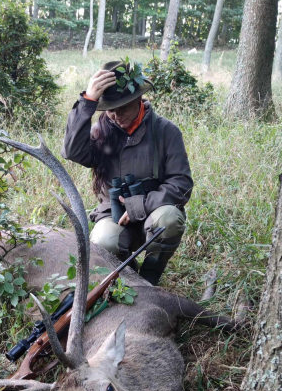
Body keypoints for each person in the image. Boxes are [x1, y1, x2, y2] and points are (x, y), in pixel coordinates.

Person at [61, 60, 193, 286]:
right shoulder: (99, 131)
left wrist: (139, 206)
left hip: (153, 213)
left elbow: (181, 183)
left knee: (169, 220)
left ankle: (150, 279)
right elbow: (71, 151)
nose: (115, 116)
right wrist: (88, 101)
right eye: (110, 110)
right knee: (103, 242)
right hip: (113, 217)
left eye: (123, 108)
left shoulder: (165, 131)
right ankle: (130, 280)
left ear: (138, 100)